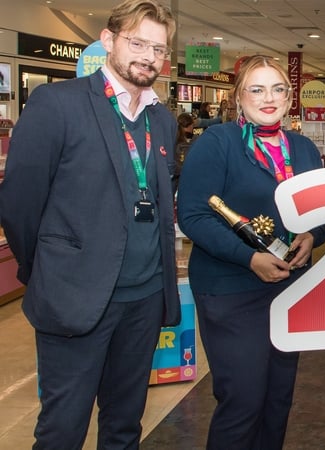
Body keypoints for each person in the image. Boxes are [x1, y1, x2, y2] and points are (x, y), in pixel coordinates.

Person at [0, 1, 181, 448]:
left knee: (124, 425)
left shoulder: (162, 120)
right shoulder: (57, 104)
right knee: (63, 428)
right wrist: (46, 272)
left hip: (144, 300)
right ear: (108, 40)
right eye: (137, 42)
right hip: (76, 299)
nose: (148, 56)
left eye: (158, 49)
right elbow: (20, 205)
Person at [176, 55, 325, 449]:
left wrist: (312, 235)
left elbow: (323, 214)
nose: (268, 98)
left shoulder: (303, 149)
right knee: (242, 399)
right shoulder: (217, 143)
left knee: (277, 399)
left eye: (278, 89)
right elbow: (193, 215)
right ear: (238, 96)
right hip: (231, 289)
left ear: (290, 96)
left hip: (289, 290)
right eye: (257, 89)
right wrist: (249, 258)